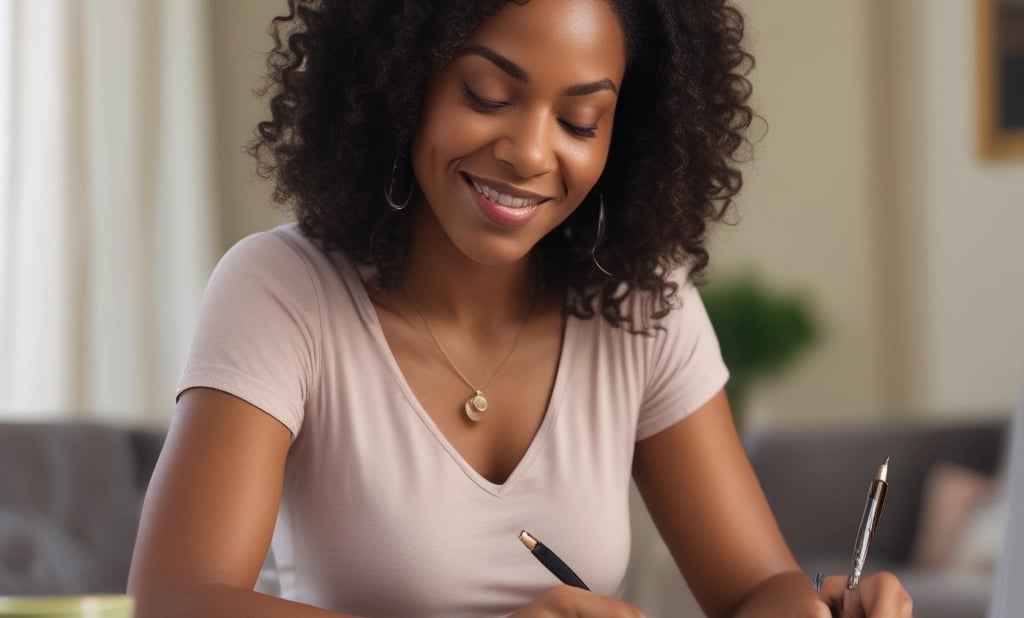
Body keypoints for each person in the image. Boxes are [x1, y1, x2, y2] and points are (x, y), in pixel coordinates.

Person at [127, 0, 914, 616]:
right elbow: (176, 601)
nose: (532, 154)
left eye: (580, 121)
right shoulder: (282, 290)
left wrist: (819, 608)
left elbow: (755, 588)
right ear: (401, 89)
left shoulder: (643, 304)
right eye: (487, 94)